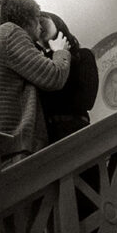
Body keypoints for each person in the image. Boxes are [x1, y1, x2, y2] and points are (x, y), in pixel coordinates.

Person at [0, 0, 71, 164]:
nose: (40, 28)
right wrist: (60, 51)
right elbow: (54, 77)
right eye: (38, 19)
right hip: (17, 143)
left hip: (3, 142)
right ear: (29, 18)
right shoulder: (13, 34)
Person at [37, 12, 92, 142]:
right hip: (49, 135)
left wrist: (60, 54)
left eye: (43, 21)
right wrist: (53, 55)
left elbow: (87, 101)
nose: (40, 26)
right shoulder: (40, 63)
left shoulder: (84, 56)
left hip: (77, 129)